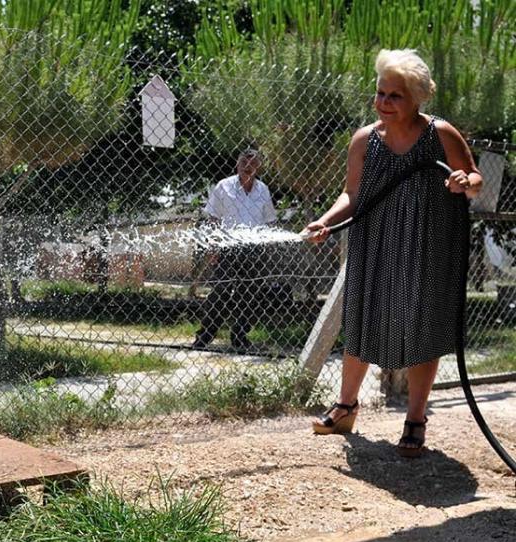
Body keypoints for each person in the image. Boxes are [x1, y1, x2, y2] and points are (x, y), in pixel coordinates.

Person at [302, 49, 483, 457]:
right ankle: (347, 406)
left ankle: (415, 419)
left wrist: (463, 180)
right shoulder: (365, 140)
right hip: (376, 241)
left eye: (394, 96)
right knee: (363, 320)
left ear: (415, 98)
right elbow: (351, 194)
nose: (383, 103)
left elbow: (474, 180)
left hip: (428, 246)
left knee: (423, 328)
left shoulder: (442, 134)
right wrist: (325, 222)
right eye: (380, 94)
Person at [192, 149, 277, 350]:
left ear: (258, 167)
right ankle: (205, 335)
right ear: (237, 165)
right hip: (228, 247)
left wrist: (272, 244)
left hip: (254, 250)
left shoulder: (263, 190)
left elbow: (270, 220)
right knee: (220, 291)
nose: (248, 167)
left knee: (249, 294)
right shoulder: (224, 186)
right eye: (244, 163)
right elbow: (213, 218)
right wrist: (213, 245)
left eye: (252, 164)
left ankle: (240, 337)